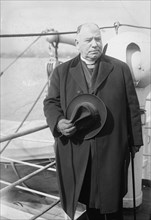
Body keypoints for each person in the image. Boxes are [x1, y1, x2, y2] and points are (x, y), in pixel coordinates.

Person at [43, 23, 143, 220]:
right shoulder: (62, 72)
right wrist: (59, 122)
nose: (95, 44)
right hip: (79, 147)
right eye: (89, 40)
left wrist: (136, 141)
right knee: (89, 198)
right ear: (77, 43)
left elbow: (132, 107)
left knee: (113, 198)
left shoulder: (119, 69)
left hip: (111, 145)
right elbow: (51, 103)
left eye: (98, 39)